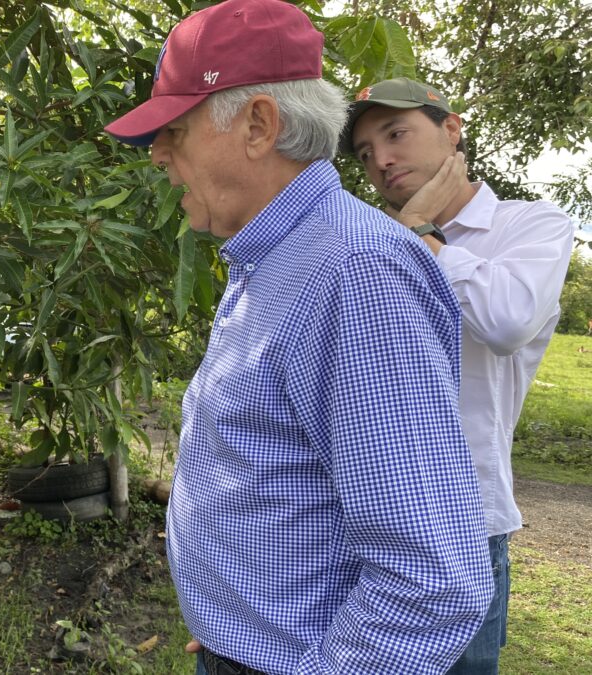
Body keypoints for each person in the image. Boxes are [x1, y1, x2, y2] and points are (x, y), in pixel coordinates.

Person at [104, 1, 493, 673]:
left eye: (177, 128)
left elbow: (431, 579)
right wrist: (233, 614)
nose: (160, 155)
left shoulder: (353, 272)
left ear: (259, 124)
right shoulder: (278, 256)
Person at [344, 77, 575, 674]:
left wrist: (419, 233)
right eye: (366, 153)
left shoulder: (531, 225)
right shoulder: (370, 241)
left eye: (396, 134)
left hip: (463, 526)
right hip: (354, 521)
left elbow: (507, 320)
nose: (382, 161)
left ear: (452, 129)